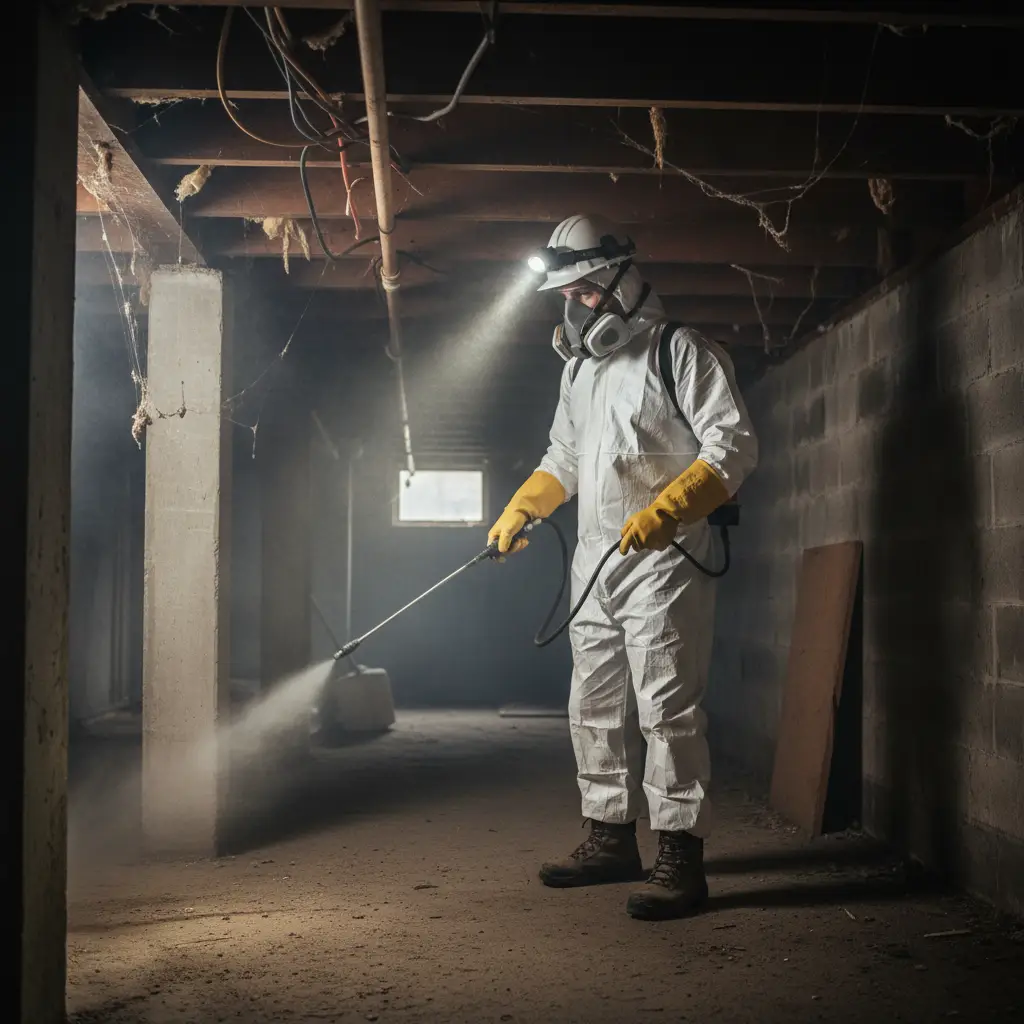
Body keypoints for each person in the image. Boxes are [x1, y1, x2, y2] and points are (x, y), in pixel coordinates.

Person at [487, 214, 758, 920]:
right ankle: (609, 837)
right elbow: (566, 458)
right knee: (594, 703)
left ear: (620, 280)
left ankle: (679, 854)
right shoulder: (580, 371)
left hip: (666, 558)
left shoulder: (681, 351)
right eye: (566, 297)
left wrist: (670, 508)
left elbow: (732, 448)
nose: (574, 307)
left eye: (582, 293)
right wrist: (526, 506)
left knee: (666, 707)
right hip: (596, 558)